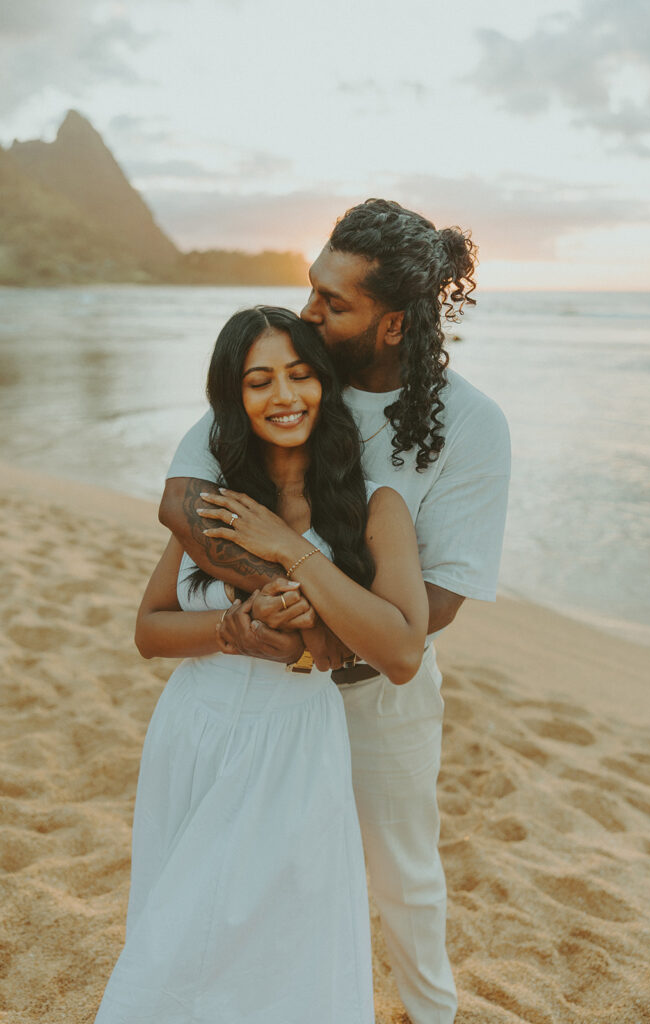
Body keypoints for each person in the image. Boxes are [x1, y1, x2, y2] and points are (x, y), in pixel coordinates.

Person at [160, 199, 511, 1024]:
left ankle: (432, 1015)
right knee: (261, 876)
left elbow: (439, 601)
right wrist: (272, 611)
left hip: (377, 700)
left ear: (392, 324)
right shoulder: (290, 375)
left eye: (333, 303)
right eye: (312, 288)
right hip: (266, 693)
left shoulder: (470, 424)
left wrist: (317, 635)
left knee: (402, 878)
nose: (309, 312)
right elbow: (185, 502)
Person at [94, 306, 429, 1024]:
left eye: (301, 376)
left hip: (293, 742)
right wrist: (230, 628)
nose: (284, 397)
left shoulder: (376, 508)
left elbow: (401, 651)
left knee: (282, 943)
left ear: (325, 386)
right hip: (195, 729)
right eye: (259, 381)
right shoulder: (213, 501)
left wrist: (286, 545)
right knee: (174, 934)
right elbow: (149, 630)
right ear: (233, 398)